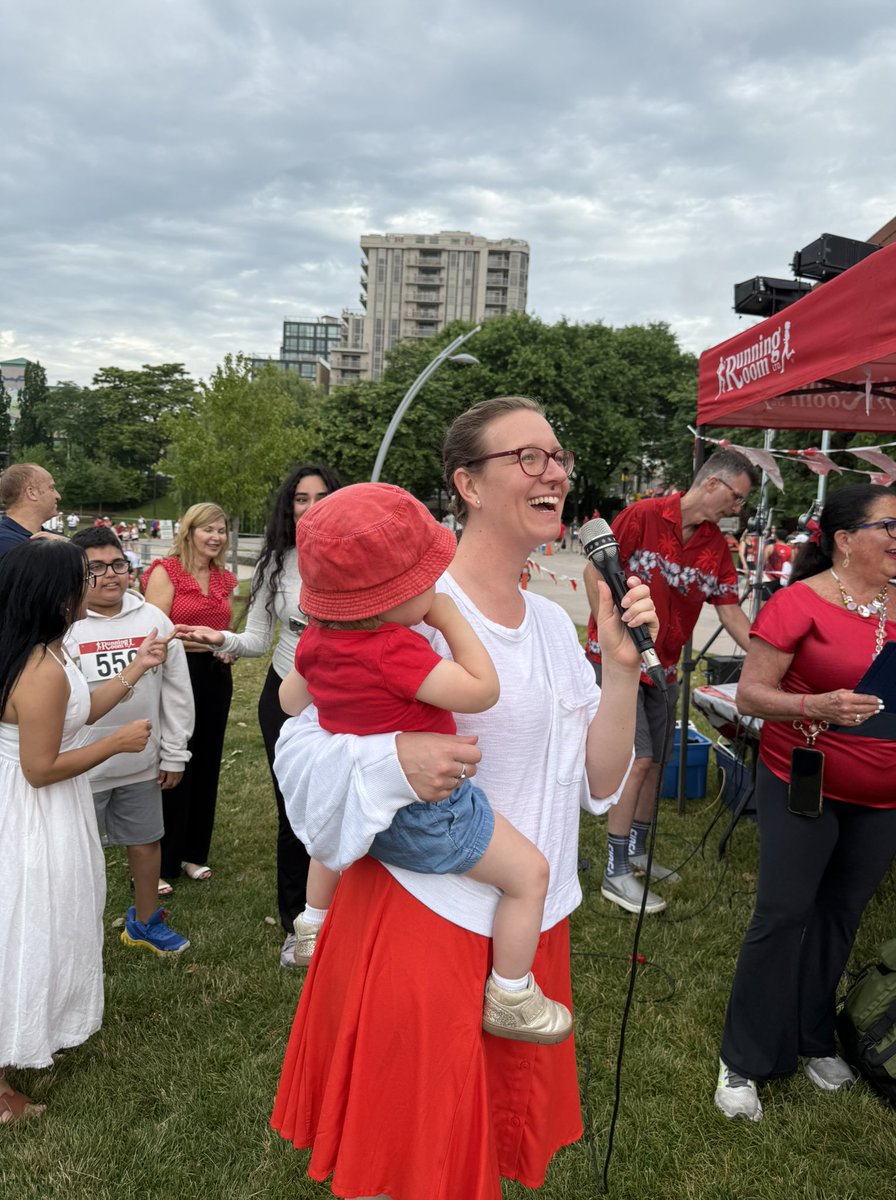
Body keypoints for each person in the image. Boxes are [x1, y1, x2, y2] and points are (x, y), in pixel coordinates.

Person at [270, 396, 657, 1199]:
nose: (554, 471)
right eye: (528, 457)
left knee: (481, 1151)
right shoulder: (403, 606)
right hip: (426, 915)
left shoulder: (554, 626)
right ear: (468, 484)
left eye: (558, 456)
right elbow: (298, 743)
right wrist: (392, 758)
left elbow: (597, 782)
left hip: (527, 925)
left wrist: (620, 667)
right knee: (416, 1157)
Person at [281, 482, 572, 1043]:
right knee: (530, 876)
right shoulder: (397, 648)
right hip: (426, 812)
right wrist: (444, 618)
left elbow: (293, 702)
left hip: (366, 806)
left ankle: (312, 925)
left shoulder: (316, 641)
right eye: (423, 581)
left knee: (330, 834)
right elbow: (481, 691)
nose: (435, 586)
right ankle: (511, 993)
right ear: (389, 599)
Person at [714, 484, 896, 1122]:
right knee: (784, 914)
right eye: (890, 526)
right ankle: (744, 1057)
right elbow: (749, 695)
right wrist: (813, 706)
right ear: (846, 540)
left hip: (886, 795)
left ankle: (813, 1034)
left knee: (840, 915)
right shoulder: (800, 603)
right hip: (805, 778)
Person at [0, 538, 166, 1123]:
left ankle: (29, 1028)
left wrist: (134, 671)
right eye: (82, 577)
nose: (91, 584)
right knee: (24, 925)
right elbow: (40, 768)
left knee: (44, 917)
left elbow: (72, 711)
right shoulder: (39, 669)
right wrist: (115, 745)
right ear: (54, 593)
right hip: (32, 812)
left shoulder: (42, 650)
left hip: (39, 806)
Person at [172, 464, 342, 964]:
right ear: (289, 507)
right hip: (284, 698)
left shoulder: (360, 555)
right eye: (301, 498)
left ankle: (350, 915)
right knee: (295, 813)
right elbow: (258, 640)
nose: (311, 507)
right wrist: (218, 638)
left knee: (346, 807)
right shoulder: (276, 563)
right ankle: (299, 925)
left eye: (322, 496)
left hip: (345, 698)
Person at [584, 447, 757, 914]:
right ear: (714, 484)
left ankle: (637, 850)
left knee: (658, 762)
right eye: (737, 498)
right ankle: (615, 872)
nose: (737, 509)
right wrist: (607, 629)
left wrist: (767, 649)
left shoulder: (716, 545)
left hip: (666, 666)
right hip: (617, 661)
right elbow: (592, 568)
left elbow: (730, 611)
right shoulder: (642, 515)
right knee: (636, 760)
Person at [67, 527, 194, 955]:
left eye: (117, 564)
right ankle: (74, 931)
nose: (110, 575)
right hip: (80, 767)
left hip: (140, 763)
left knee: (145, 842)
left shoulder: (154, 621)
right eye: (96, 568)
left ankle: (144, 922)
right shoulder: (65, 626)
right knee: (78, 856)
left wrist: (175, 752)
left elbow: (177, 693)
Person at [142, 503, 237, 886]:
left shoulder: (224, 578)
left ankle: (194, 853)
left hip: (215, 677)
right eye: (207, 530)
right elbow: (154, 633)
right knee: (172, 762)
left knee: (207, 760)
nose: (216, 537)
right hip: (175, 677)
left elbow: (224, 629)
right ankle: (161, 860)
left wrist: (228, 646)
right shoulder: (166, 573)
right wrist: (203, 643)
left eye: (221, 530)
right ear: (189, 531)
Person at [0, 463, 62, 559]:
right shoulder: (6, 543)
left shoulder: (54, 538)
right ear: (32, 493)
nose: (58, 496)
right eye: (51, 488)